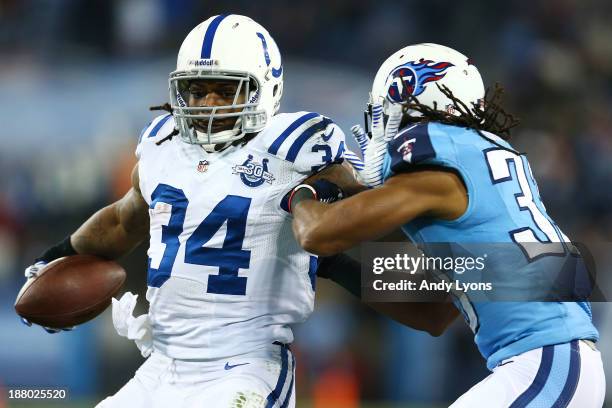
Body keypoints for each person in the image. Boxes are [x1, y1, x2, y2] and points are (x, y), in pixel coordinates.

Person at [21, 14, 355, 408]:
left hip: (244, 367)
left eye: (224, 90)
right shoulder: (163, 144)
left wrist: (402, 271)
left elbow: (362, 196)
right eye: (198, 91)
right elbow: (123, 218)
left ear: (265, 89)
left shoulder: (295, 147)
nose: (208, 104)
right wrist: (58, 256)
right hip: (161, 366)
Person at [288, 43, 606, 407]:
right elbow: (434, 313)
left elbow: (316, 232)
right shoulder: (473, 166)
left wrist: (302, 192)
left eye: (386, 114)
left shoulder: (438, 166)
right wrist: (335, 266)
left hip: (545, 364)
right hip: (554, 364)